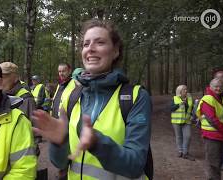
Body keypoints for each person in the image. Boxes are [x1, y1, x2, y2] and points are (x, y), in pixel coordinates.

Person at [32, 19, 152, 179]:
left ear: (115, 51)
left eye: (100, 42)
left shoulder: (135, 97)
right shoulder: (72, 96)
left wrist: (97, 143)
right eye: (86, 44)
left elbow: (136, 165)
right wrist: (59, 143)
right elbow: (60, 164)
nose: (90, 49)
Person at [196, 78, 223, 180]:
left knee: (218, 162)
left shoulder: (220, 98)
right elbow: (213, 120)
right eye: (216, 86)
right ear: (210, 87)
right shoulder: (208, 99)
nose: (218, 89)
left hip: (220, 135)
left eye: (220, 87)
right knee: (213, 164)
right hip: (211, 136)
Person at [51, 62, 76, 180]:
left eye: (63, 71)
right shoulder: (60, 85)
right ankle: (63, 171)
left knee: (68, 152)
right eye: (59, 71)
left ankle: (65, 173)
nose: (61, 73)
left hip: (69, 125)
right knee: (60, 153)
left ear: (69, 71)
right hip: (57, 125)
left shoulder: (75, 84)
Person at [171, 85, 195, 161]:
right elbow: (171, 109)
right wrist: (179, 105)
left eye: (186, 89)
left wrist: (192, 115)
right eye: (184, 90)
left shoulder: (190, 98)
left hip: (187, 121)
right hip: (176, 121)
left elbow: (192, 108)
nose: (186, 91)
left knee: (188, 136)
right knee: (179, 137)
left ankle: (185, 153)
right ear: (179, 91)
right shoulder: (175, 98)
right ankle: (180, 151)